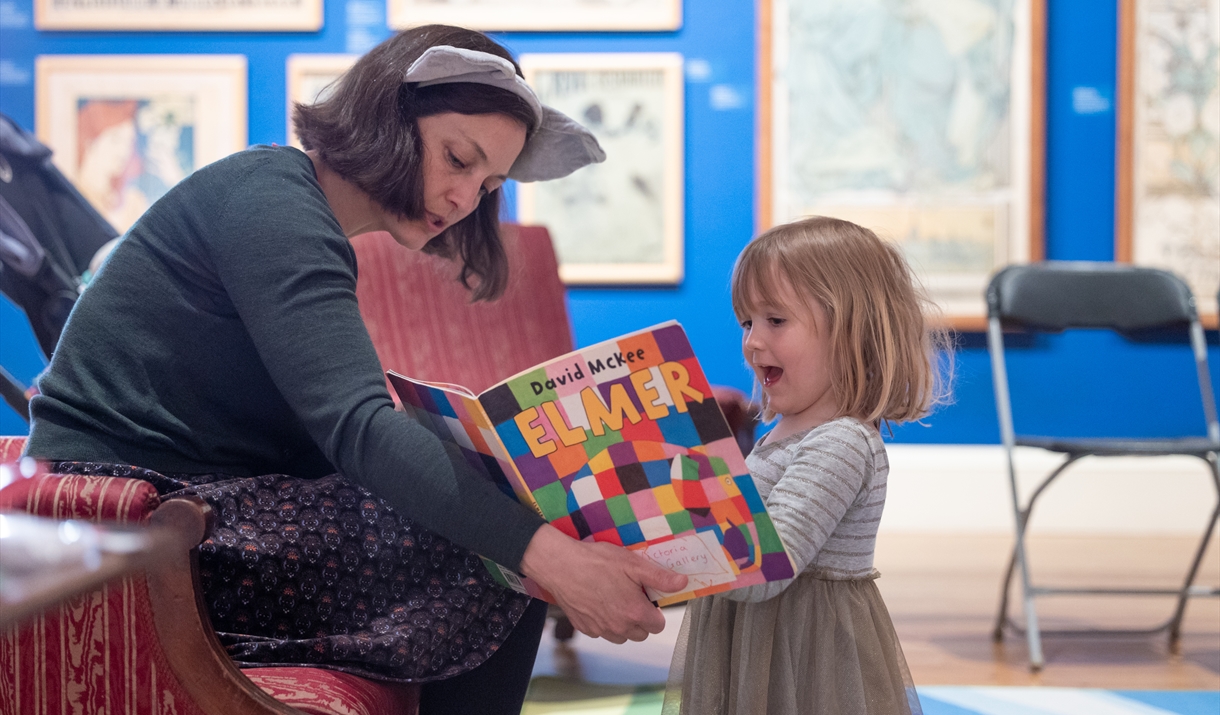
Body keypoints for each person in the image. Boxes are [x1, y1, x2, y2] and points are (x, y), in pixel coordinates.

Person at [24, 25, 686, 715]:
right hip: (128, 522)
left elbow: (340, 419)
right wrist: (549, 555)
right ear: (389, 118)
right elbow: (359, 428)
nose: (465, 198)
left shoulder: (287, 204)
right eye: (457, 159)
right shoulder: (274, 204)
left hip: (177, 503)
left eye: (488, 184)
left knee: (495, 517)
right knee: (497, 561)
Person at [663, 216, 951, 715]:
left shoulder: (841, 442)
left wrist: (688, 489)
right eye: (747, 322)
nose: (752, 341)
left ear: (851, 331)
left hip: (804, 659)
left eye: (775, 320)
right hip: (756, 646)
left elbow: (764, 572)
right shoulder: (781, 432)